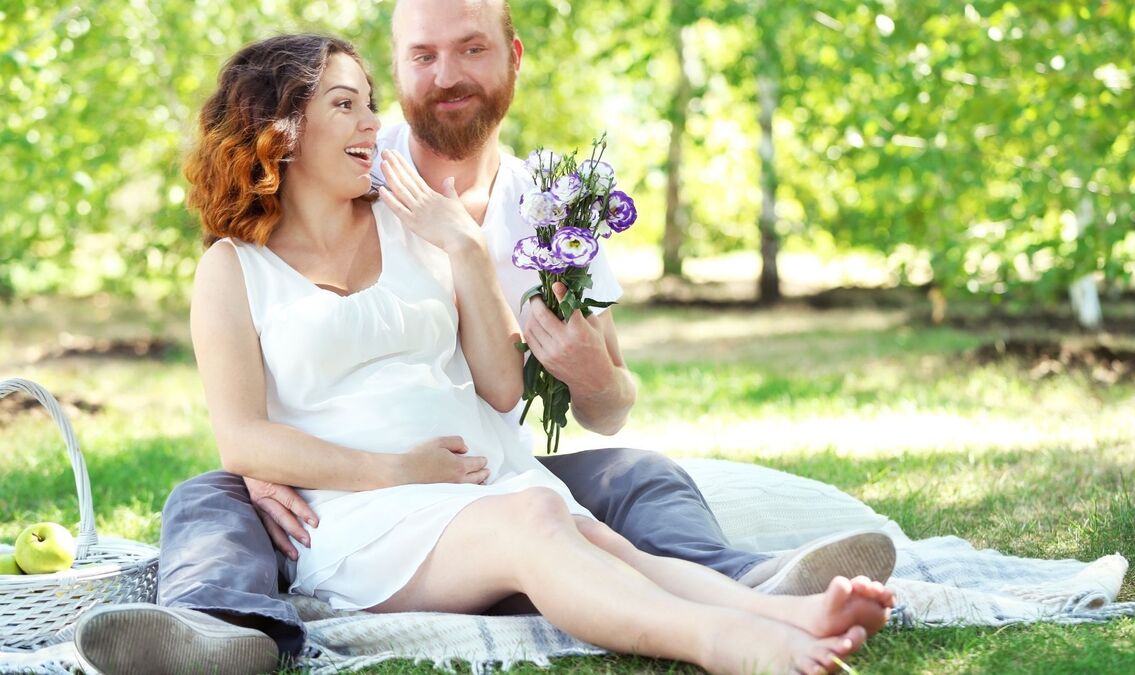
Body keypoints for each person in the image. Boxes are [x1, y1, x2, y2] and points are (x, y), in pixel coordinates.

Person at [74, 2, 895, 673]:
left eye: (368, 99)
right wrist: (386, 468)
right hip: (364, 512)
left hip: (489, 469)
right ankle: (724, 641)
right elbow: (241, 435)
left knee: (597, 529)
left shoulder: (422, 223)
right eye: (346, 102)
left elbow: (503, 389)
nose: (373, 119)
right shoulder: (233, 269)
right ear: (280, 131)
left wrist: (463, 246)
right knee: (219, 493)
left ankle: (774, 604)